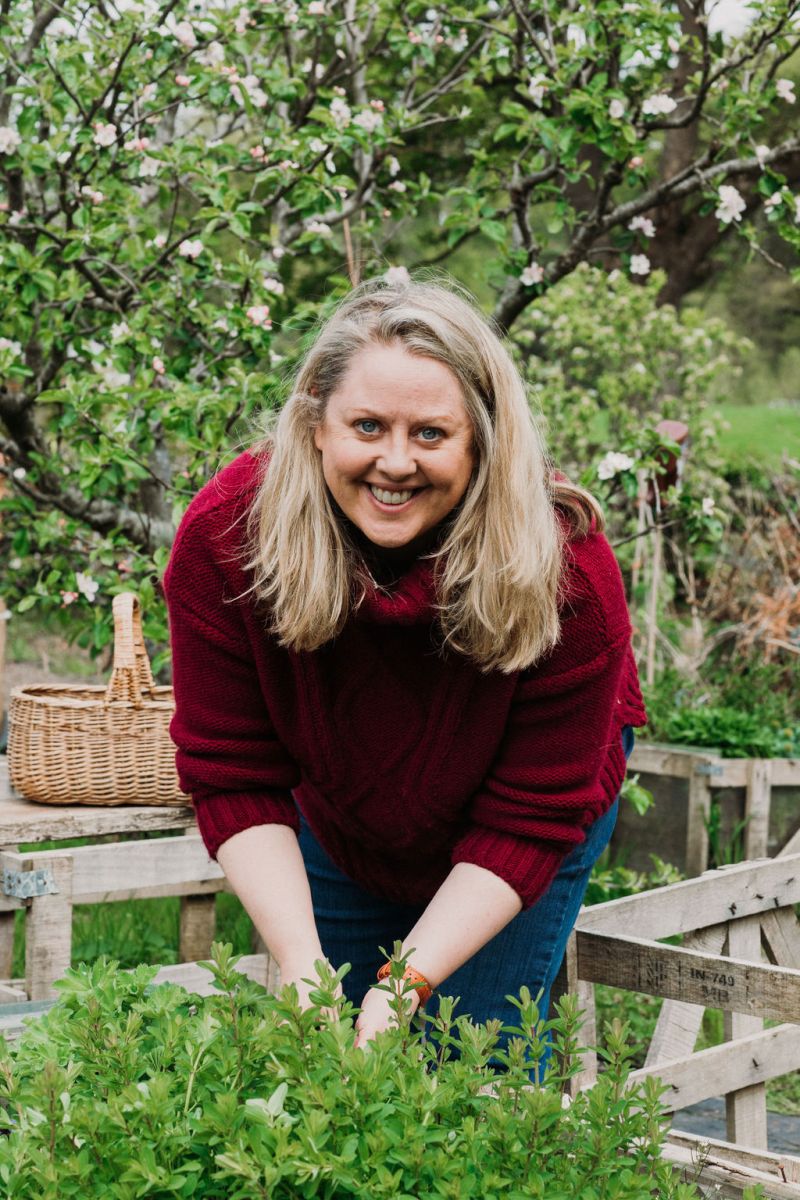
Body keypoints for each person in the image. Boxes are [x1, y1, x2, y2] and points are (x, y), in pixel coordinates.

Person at [162, 274, 647, 1077]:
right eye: (367, 425)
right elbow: (234, 772)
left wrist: (406, 984)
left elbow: (529, 817)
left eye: (430, 434)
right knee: (331, 1052)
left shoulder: (566, 571)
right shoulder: (227, 538)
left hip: (514, 812)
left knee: (466, 1061)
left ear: (481, 441)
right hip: (343, 793)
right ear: (316, 421)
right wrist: (301, 970)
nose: (395, 462)